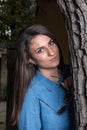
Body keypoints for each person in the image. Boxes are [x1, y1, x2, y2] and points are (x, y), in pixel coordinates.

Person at [11, 24, 74, 130]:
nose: (52, 52)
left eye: (51, 43)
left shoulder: (74, 73)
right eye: (40, 50)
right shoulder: (32, 93)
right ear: (30, 59)